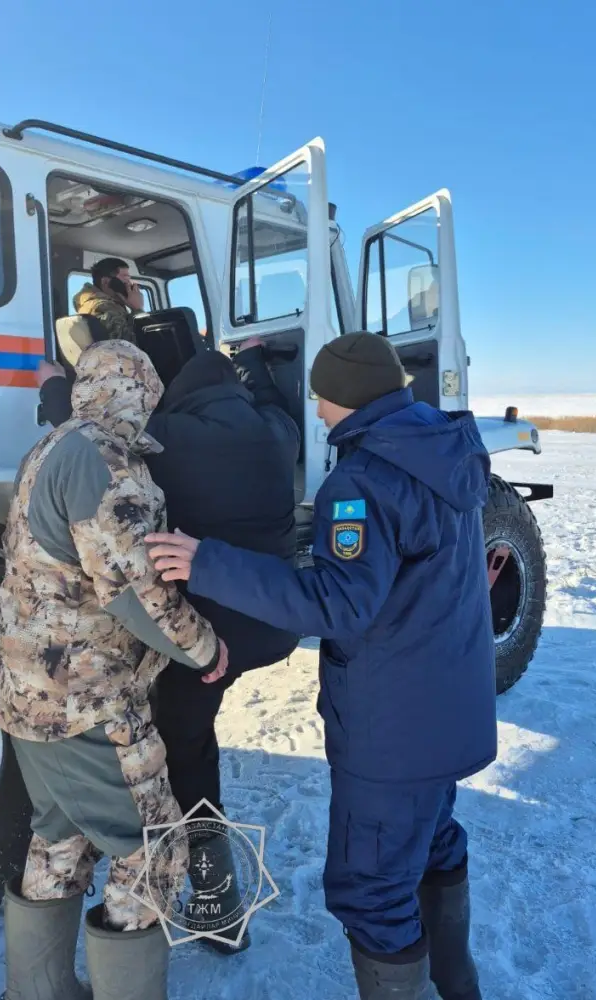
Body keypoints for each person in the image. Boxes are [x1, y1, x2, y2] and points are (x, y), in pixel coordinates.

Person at [146, 332, 497, 1000]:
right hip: (448, 711)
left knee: (371, 893)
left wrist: (208, 562)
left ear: (340, 398)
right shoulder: (445, 449)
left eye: (321, 396)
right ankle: (459, 985)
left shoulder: (361, 484)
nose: (317, 409)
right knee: (433, 845)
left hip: (395, 732)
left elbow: (338, 606)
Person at [36, 337, 301, 954]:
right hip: (273, 625)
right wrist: (254, 361)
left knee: (185, 754)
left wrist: (54, 385)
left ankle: (218, 908)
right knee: (193, 740)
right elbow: (270, 396)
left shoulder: (166, 440)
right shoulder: (277, 429)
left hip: (207, 639)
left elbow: (87, 432)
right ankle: (217, 906)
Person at [0, 340, 227, 1000]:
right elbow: (139, 594)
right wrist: (207, 648)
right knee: (153, 848)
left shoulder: (44, 450)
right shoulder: (104, 457)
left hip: (25, 699)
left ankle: (35, 993)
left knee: (60, 839)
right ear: (137, 395)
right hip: (89, 705)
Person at [71, 256, 146, 343]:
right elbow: (129, 346)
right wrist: (137, 309)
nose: (129, 284)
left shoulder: (91, 304)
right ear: (105, 282)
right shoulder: (104, 308)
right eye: (125, 278)